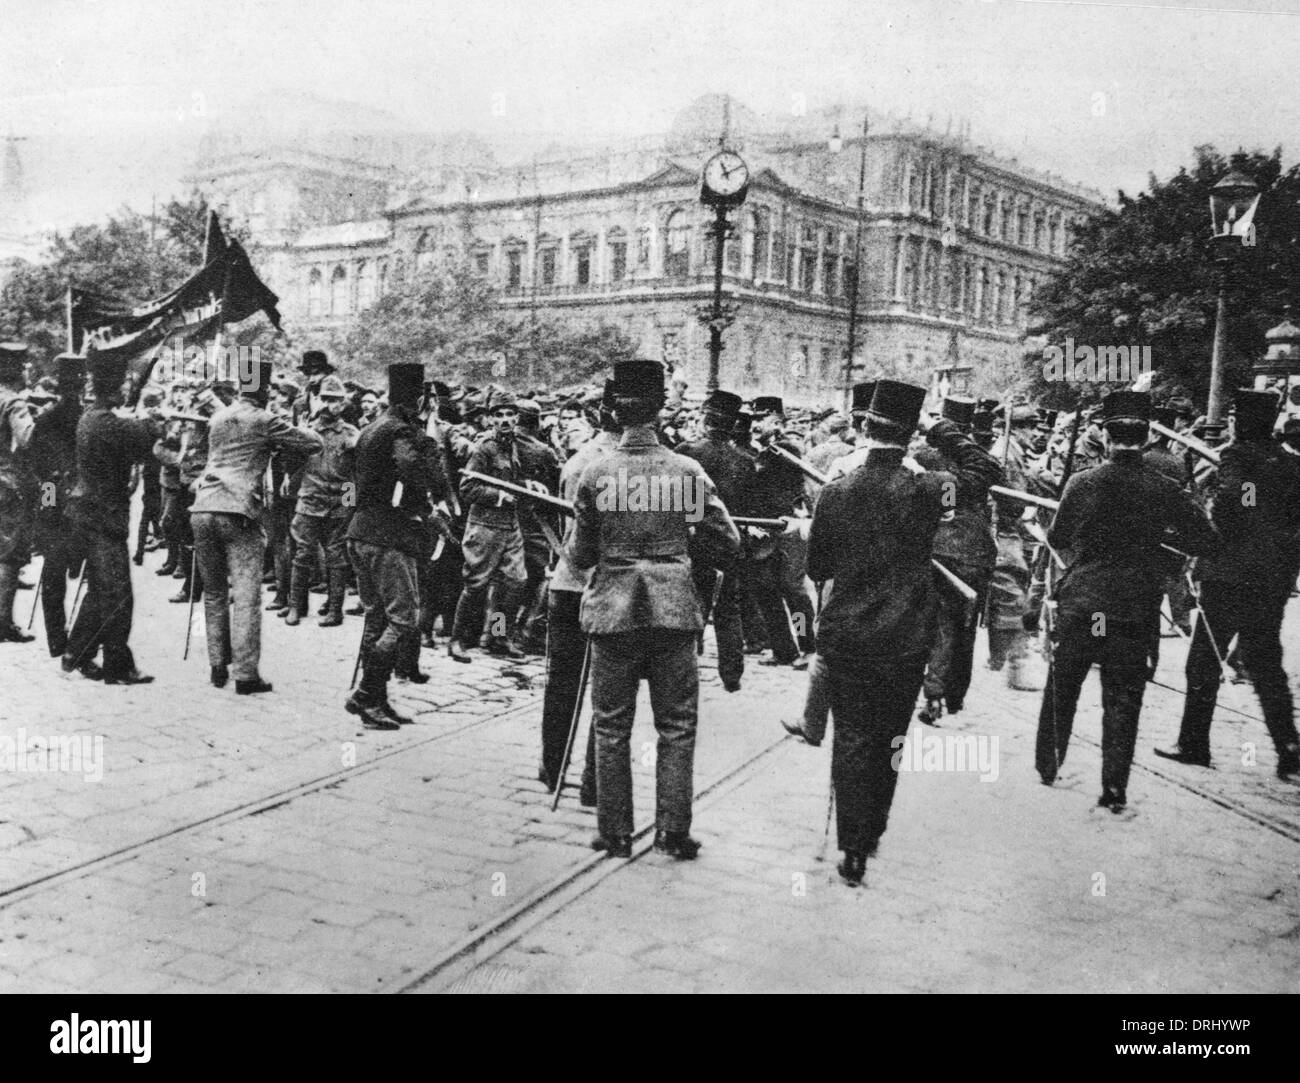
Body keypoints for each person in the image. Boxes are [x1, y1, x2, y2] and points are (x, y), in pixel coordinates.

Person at [808, 380, 997, 886]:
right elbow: (985, 471)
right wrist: (944, 429)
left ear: (865, 428)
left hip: (847, 631)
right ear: (912, 434)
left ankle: (850, 847)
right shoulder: (932, 488)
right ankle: (872, 830)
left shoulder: (835, 492)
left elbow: (819, 567)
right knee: (889, 735)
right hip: (906, 631)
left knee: (849, 734)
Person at [569, 359, 739, 860]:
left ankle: (615, 832)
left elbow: (580, 555)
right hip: (673, 609)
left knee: (612, 724)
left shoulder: (596, 473)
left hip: (612, 612)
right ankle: (672, 831)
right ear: (661, 410)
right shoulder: (685, 473)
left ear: (616, 413)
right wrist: (680, 558)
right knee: (677, 724)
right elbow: (725, 539)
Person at [1036, 390, 1218, 813]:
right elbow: (1206, 540)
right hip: (1134, 606)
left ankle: (1049, 764)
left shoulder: (1083, 483)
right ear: (1147, 434)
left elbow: (1058, 538)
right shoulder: (1167, 488)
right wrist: (1163, 543)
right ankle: (1114, 787)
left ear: (1105, 433)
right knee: (1123, 696)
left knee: (1064, 686)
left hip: (1084, 604)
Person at [1156, 390, 1300, 779]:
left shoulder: (1240, 457)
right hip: (1270, 580)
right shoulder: (1289, 462)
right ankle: (1289, 748)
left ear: (1242, 422)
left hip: (1230, 577)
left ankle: (1193, 744)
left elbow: (1239, 501)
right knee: (1265, 664)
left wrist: (1223, 512)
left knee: (1204, 661)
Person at [190, 360, 323, 693]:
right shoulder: (265, 419)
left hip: (203, 506)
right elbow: (312, 444)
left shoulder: (218, 417)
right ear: (263, 390)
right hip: (238, 510)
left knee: (214, 593)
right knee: (247, 597)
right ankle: (246, 674)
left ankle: (217, 665)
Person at [346, 362, 444, 729]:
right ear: (416, 400)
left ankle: (376, 700)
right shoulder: (403, 431)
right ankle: (366, 694)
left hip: (361, 532)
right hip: (389, 536)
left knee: (377, 617)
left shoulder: (371, 428)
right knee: (403, 618)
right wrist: (429, 439)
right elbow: (415, 471)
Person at [63, 351, 164, 682]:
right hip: (102, 517)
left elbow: (129, 439)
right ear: (114, 388)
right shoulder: (104, 422)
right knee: (118, 595)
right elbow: (140, 437)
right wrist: (155, 422)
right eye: (123, 383)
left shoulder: (92, 418)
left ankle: (75, 652)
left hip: (90, 515)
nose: (126, 388)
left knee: (101, 590)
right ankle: (118, 668)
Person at [914, 395, 1003, 724]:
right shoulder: (979, 462)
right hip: (974, 553)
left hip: (937, 549)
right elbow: (993, 472)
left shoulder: (925, 457)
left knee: (938, 624)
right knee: (966, 626)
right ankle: (954, 696)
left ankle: (933, 692)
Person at [675, 389, 754, 693]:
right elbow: (747, 509)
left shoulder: (687, 452)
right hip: (729, 543)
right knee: (728, 609)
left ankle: (685, 665)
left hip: (693, 541)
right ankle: (732, 675)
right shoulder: (744, 461)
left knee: (691, 602)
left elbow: (686, 506)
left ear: (705, 419)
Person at [448, 399, 529, 662]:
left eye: (510, 415)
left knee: (515, 582)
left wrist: (528, 485)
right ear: (491, 419)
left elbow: (513, 479)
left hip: (510, 526)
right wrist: (499, 497)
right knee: (476, 583)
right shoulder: (484, 448)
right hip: (484, 526)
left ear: (517, 418)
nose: (505, 420)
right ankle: (457, 640)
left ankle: (498, 636)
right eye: (499, 416)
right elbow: (467, 488)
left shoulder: (515, 445)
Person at [284, 375, 358, 628]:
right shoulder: (306, 431)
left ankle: (335, 610)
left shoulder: (351, 434)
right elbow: (290, 463)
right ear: (317, 400)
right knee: (302, 553)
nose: (330, 406)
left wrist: (349, 504)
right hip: (309, 499)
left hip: (338, 503)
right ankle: (296, 606)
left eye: (336, 401)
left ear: (344, 404)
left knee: (337, 557)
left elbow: (354, 474)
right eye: (325, 399)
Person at [27, 354, 85, 657]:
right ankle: (68, 639)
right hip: (78, 497)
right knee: (70, 563)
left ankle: (55, 637)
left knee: (53, 568)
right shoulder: (82, 416)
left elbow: (37, 463)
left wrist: (50, 495)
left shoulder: (47, 416)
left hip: (55, 493)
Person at [0, 342, 36, 641]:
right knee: (9, 557)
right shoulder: (14, 403)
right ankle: (3, 624)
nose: (28, 370)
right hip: (8, 485)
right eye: (23, 365)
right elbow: (28, 440)